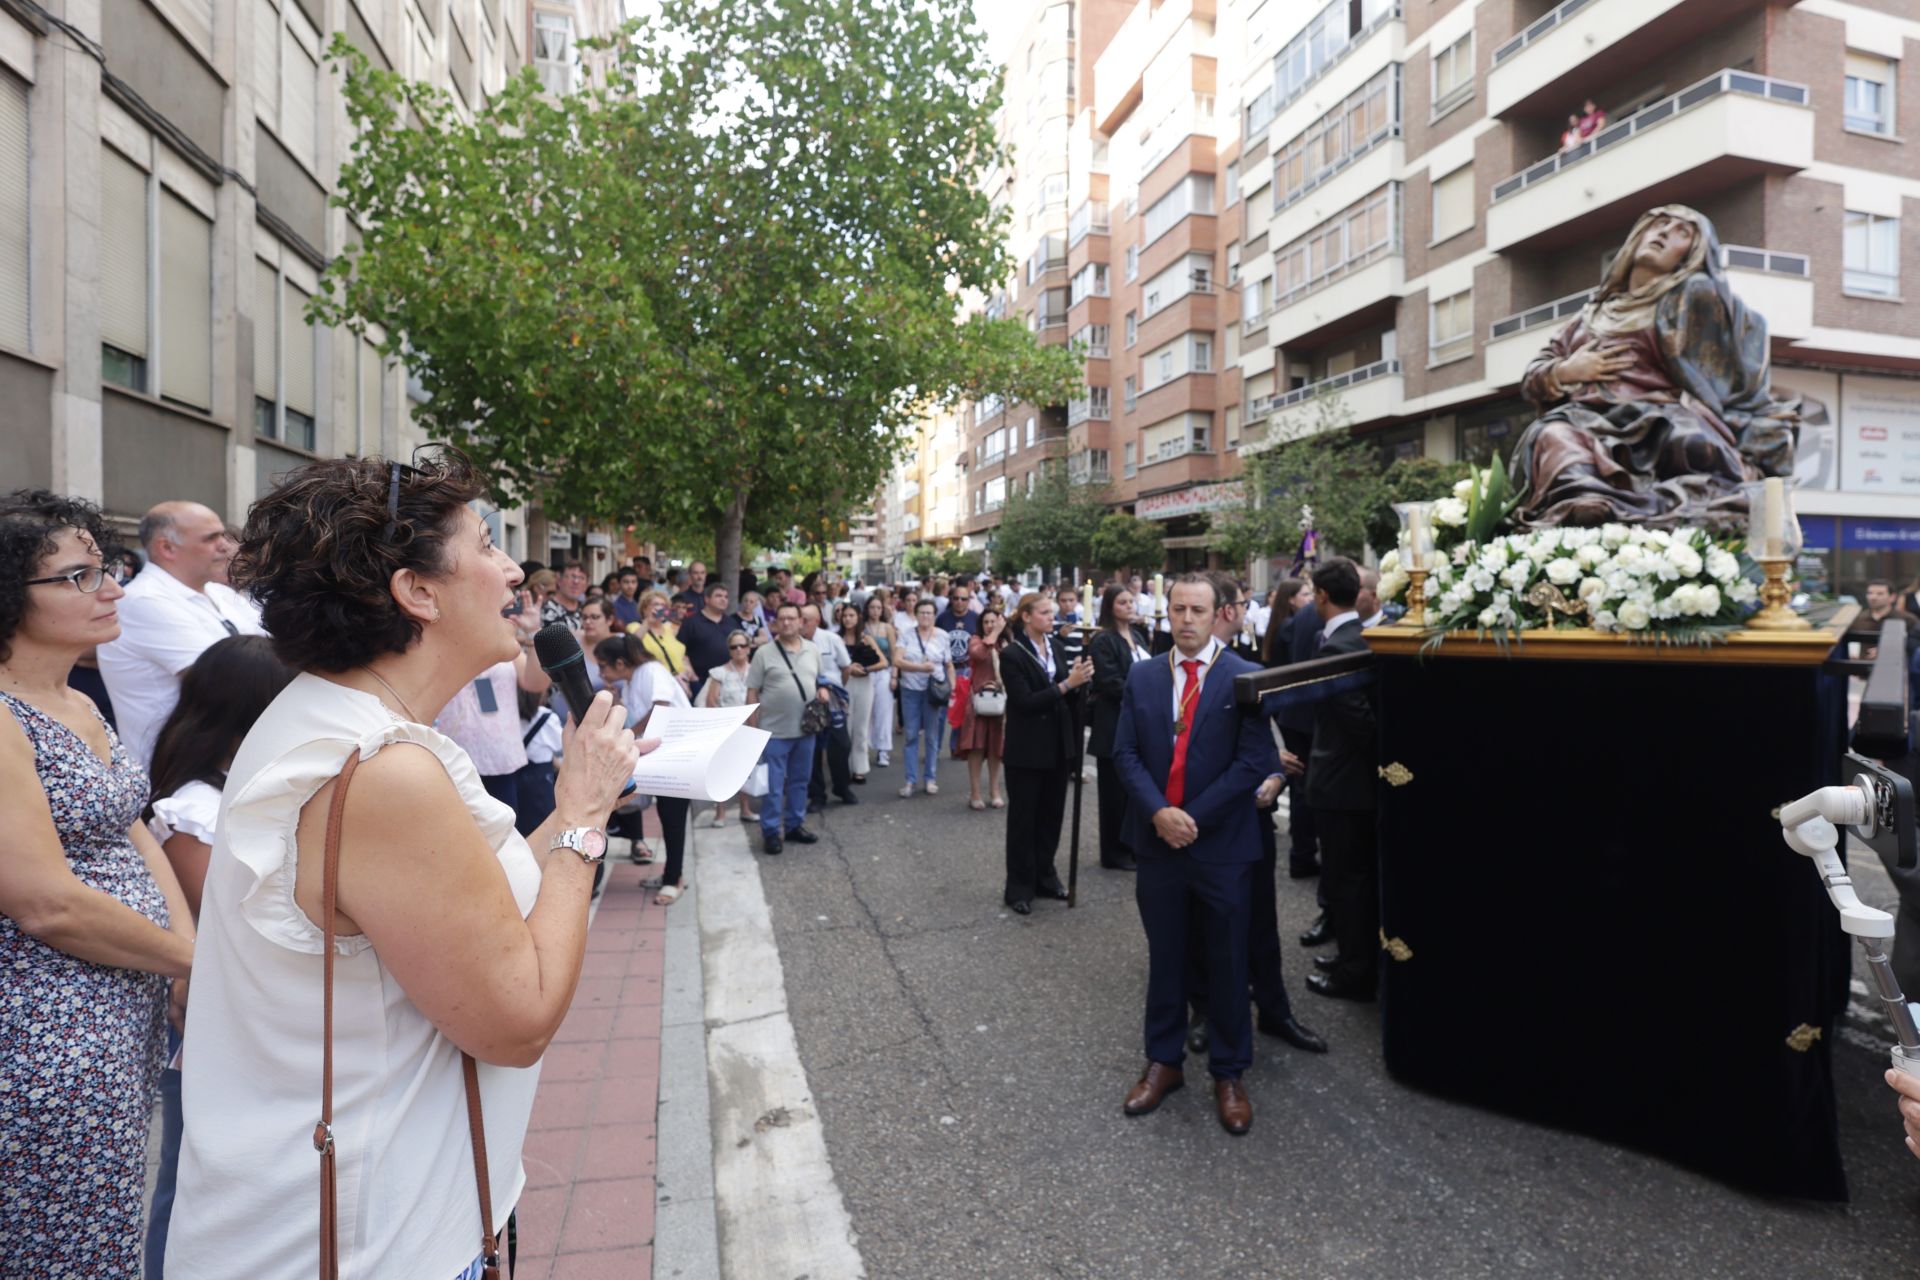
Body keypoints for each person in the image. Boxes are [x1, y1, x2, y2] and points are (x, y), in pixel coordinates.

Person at [165, 453, 646, 1278]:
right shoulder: (383, 770)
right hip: (375, 1244)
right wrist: (586, 819)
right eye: (489, 546)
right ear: (417, 593)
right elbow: (517, 1018)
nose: (513, 573)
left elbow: (470, 895)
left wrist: (573, 807)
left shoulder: (334, 718)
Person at [0, 490, 195, 1277]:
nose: (111, 589)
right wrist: (192, 962)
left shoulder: (76, 698)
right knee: (60, 1247)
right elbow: (47, 902)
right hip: (44, 1041)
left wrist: (183, 952)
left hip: (116, 1020)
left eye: (106, 569)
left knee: (103, 1228)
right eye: (80, 577)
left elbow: (132, 828)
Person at [141, 635, 298, 1277]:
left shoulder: (247, 788)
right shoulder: (192, 811)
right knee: (188, 1182)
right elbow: (234, 917)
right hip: (209, 1024)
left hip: (258, 1016)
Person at [1112, 574, 1279, 1137]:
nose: (1186, 619)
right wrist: (1160, 813)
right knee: (1167, 957)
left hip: (1222, 848)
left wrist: (1193, 819)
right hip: (1158, 844)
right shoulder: (1143, 675)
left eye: (1198, 610)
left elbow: (1252, 763)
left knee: (1228, 961)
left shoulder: (1245, 677)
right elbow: (1125, 752)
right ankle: (1164, 1062)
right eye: (1178, 609)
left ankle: (1229, 1072)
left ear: (1218, 615)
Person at [1509, 206, 1799, 529]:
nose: (1664, 233)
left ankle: (1654, 512)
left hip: (1658, 421)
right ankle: (1586, 503)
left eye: (1682, 232)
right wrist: (1566, 371)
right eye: (1660, 225)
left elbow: (1735, 345)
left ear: (1691, 255)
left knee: (1691, 440)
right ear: (1638, 237)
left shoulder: (1688, 305)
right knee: (1554, 437)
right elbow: (1533, 375)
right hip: (1586, 421)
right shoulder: (1588, 318)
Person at [1183, 576, 1327, 1059]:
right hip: (1201, 820)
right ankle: (1202, 1009)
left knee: (1261, 918)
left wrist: (1274, 777)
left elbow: (1264, 743)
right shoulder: (1177, 672)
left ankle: (1274, 1009)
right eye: (1242, 604)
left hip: (1251, 819)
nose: (1246, 610)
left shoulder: (1249, 669)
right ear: (1226, 610)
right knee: (1200, 923)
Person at [97, 499, 267, 766]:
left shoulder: (221, 593)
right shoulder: (143, 601)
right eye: (211, 538)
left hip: (229, 764)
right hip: (179, 779)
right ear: (167, 548)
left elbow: (281, 651)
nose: (225, 546)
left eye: (223, 535)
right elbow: (236, 681)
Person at [1299, 558, 1381, 1003]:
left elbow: (1359, 723)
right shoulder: (1362, 634)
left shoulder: (1337, 647)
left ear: (1323, 597)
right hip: (1355, 784)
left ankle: (1355, 972)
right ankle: (1355, 954)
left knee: (1348, 884)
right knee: (1352, 882)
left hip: (1343, 786)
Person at [998, 592, 1090, 912]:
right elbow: (1024, 702)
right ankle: (1019, 887)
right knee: (1025, 819)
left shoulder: (1057, 647)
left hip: (1058, 744)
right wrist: (1067, 685)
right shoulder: (1012, 654)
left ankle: (1045, 876)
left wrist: (1081, 681)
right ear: (1026, 616)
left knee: (1051, 815)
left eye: (1052, 612)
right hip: (1027, 747)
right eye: (1044, 612)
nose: (1052, 617)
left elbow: (1068, 692)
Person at [594, 633, 694, 904]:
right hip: (662, 759)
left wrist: (634, 734)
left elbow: (661, 706)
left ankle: (675, 880)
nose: (601, 672)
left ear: (620, 662)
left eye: (603, 665)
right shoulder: (629, 681)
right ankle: (670, 874)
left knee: (673, 820)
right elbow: (631, 716)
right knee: (666, 816)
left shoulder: (651, 670)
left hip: (677, 758)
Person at [435, 649, 553, 832]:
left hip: (499, 758)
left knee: (504, 832)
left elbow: (535, 684)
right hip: (448, 755)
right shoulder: (436, 639)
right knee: (456, 830)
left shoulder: (504, 640)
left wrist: (532, 637)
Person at [746, 601, 826, 855]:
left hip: (805, 730)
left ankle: (794, 825)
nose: (788, 622)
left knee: (800, 782)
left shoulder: (813, 649)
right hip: (774, 732)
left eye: (792, 618)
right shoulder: (763, 653)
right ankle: (771, 832)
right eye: (783, 618)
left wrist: (823, 689)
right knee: (773, 786)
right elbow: (752, 693)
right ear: (776, 623)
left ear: (801, 622)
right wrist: (753, 730)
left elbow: (818, 679)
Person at [1088, 584, 1151, 872]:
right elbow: (1109, 682)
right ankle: (1113, 850)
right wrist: (1144, 696)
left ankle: (1133, 844)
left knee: (1134, 790)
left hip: (1139, 726)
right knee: (1114, 793)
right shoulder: (1104, 640)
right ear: (1111, 606)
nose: (1129, 605)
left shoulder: (1138, 636)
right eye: (1123, 602)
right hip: (1114, 724)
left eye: (1131, 601)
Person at [893, 597, 954, 797]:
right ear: (916, 615)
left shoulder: (943, 636)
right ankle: (910, 780)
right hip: (910, 689)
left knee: (931, 736)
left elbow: (948, 664)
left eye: (929, 613)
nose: (926, 616)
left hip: (933, 690)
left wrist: (951, 687)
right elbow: (897, 660)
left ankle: (930, 778)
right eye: (922, 612)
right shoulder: (907, 635)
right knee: (910, 735)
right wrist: (920, 667)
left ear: (935, 615)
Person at [802, 603, 858, 810]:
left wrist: (836, 691)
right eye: (800, 618)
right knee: (813, 750)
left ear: (816, 621)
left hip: (832, 701)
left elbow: (845, 668)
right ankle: (817, 795)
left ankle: (842, 787)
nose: (801, 623)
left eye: (806, 620)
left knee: (841, 745)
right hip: (807, 702)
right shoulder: (794, 643)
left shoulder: (831, 639)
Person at [955, 605, 1010, 810]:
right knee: (976, 748)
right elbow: (977, 655)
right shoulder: (976, 640)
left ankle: (995, 790)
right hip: (978, 701)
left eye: (993, 622)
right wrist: (994, 633)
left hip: (1000, 701)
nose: (989, 625)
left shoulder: (1006, 644)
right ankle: (975, 792)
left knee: (997, 748)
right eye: (986, 622)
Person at [702, 630, 758, 828]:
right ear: (729, 650)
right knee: (722, 773)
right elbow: (711, 702)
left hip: (750, 728)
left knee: (745, 771)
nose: (739, 649)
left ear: (749, 648)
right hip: (726, 730)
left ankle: (746, 809)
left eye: (742, 645)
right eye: (734, 646)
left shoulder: (756, 671)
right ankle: (720, 813)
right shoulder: (720, 672)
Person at [839, 603, 884, 785]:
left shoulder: (866, 638)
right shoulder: (837, 639)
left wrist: (864, 668)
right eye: (845, 616)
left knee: (861, 726)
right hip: (844, 683)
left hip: (864, 683)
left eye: (851, 615)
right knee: (845, 727)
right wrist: (849, 670)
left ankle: (860, 768)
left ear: (858, 618)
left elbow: (883, 662)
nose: (848, 619)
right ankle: (844, 766)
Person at [677, 579, 736, 702]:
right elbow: (680, 652)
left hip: (728, 682)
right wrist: (693, 677)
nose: (723, 599)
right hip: (700, 682)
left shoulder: (732, 623)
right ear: (707, 599)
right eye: (718, 596)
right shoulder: (691, 622)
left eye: (726, 596)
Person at [633, 589, 692, 692]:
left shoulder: (670, 628)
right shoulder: (635, 626)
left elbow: (681, 653)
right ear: (645, 609)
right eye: (655, 604)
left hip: (680, 683)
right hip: (656, 685)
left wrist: (687, 668)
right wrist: (648, 621)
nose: (659, 608)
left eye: (663, 605)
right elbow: (633, 643)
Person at [864, 592, 897, 768]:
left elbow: (894, 653)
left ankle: (883, 750)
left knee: (883, 712)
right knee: (866, 712)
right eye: (872, 607)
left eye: (878, 608)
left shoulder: (887, 628)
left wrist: (894, 674)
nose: (875, 611)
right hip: (866, 672)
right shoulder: (862, 627)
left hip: (884, 671)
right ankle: (864, 748)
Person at [541, 560, 589, 630]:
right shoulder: (544, 609)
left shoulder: (587, 612)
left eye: (581, 578)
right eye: (572, 576)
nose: (576, 582)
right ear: (559, 580)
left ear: (586, 585)